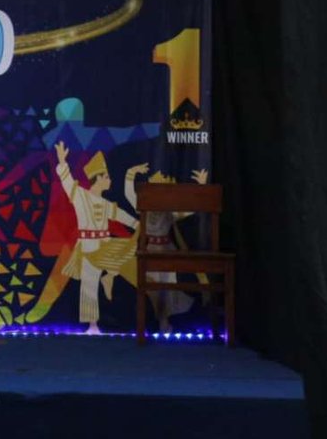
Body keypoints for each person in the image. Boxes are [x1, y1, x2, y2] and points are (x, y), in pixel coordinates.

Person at [54, 142, 139, 334]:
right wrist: (62, 162)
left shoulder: (105, 203)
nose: (109, 180)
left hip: (105, 245)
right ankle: (92, 325)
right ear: (98, 178)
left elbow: (120, 215)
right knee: (89, 285)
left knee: (128, 250)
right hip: (88, 247)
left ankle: (110, 276)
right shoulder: (80, 196)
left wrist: (136, 224)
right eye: (106, 177)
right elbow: (67, 182)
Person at [125, 163, 210, 332]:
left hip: (167, 251)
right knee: (152, 290)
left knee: (167, 290)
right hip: (149, 251)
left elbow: (192, 207)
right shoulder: (143, 206)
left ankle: (164, 322)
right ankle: (154, 322)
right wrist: (130, 173)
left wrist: (202, 186)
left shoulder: (171, 210)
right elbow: (129, 194)